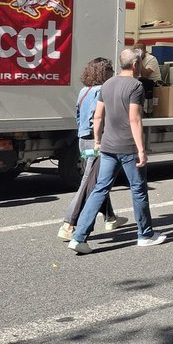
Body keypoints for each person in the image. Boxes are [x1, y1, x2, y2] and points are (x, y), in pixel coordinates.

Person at [68, 47, 166, 254]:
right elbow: (134, 119)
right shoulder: (136, 86)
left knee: (100, 189)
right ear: (135, 64)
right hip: (128, 146)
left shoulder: (107, 84)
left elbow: (98, 116)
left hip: (107, 145)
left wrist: (97, 141)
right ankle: (145, 234)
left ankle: (79, 237)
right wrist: (141, 149)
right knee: (138, 190)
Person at [57, 57, 124, 241]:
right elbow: (98, 117)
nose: (112, 74)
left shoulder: (84, 91)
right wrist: (100, 138)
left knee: (97, 179)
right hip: (96, 140)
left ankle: (110, 218)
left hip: (82, 139)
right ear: (105, 72)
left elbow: (78, 114)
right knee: (88, 181)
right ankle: (68, 224)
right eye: (110, 70)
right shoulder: (101, 91)